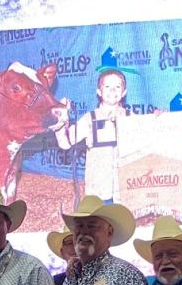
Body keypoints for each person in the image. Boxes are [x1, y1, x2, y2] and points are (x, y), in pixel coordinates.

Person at [56, 68, 136, 202]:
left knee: (123, 222)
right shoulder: (89, 119)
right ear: (99, 92)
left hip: (125, 190)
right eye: (107, 86)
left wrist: (159, 118)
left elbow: (148, 136)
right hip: (99, 190)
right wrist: (61, 119)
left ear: (124, 93)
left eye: (117, 87)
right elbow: (65, 143)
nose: (112, 90)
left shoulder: (130, 118)